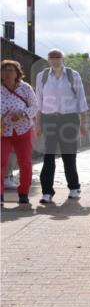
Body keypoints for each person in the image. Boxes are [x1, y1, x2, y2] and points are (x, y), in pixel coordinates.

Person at [34, 49, 89, 204]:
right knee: (48, 156)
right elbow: (39, 101)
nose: (55, 59)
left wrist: (83, 123)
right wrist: (37, 124)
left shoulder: (73, 75)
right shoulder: (42, 76)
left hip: (69, 119)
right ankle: (47, 192)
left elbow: (81, 100)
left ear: (63, 59)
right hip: (49, 119)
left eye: (58, 57)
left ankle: (74, 187)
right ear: (48, 60)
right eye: (52, 57)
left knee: (69, 155)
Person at [1, 60, 38, 204]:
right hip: (3, 131)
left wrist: (22, 114)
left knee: (25, 162)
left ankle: (23, 192)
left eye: (11, 70)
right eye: (4, 70)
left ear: (17, 73)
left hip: (23, 129)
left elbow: (35, 107)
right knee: (1, 161)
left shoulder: (25, 88)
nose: (7, 73)